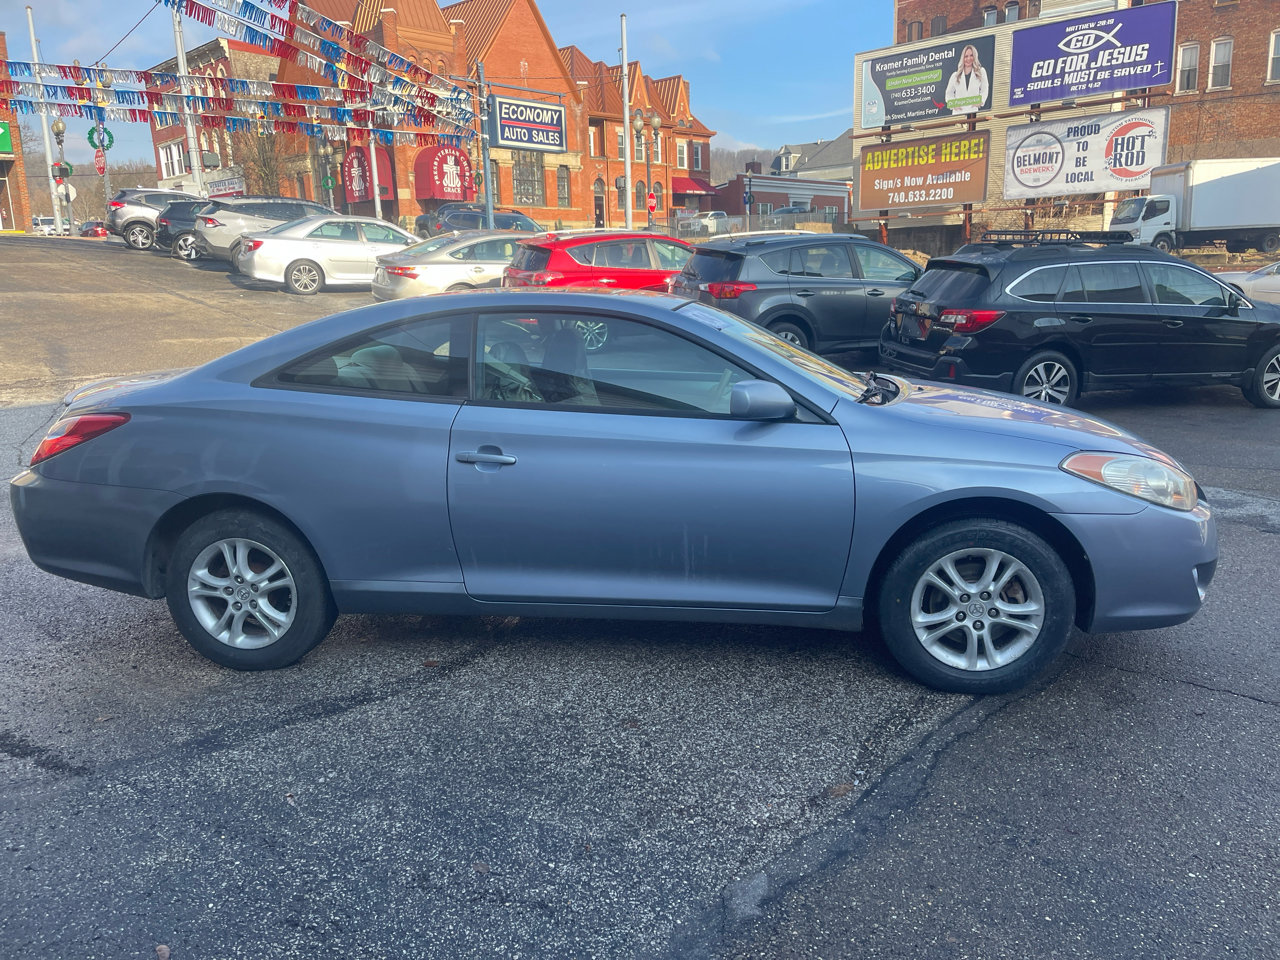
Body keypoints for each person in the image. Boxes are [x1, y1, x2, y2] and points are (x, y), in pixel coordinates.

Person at [945, 45, 988, 115]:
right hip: (958, 114)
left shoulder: (981, 72)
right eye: (966, 56)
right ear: (963, 58)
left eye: (971, 55)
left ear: (975, 57)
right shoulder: (955, 76)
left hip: (973, 113)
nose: (968, 59)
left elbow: (985, 90)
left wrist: (981, 101)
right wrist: (954, 104)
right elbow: (948, 94)